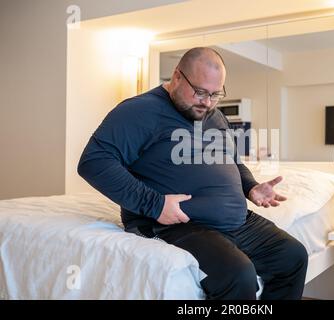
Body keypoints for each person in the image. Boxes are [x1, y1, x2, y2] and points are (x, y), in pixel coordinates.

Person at [77, 47, 308, 300]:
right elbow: (94, 161)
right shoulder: (139, 111)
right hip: (174, 223)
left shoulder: (215, 116)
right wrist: (155, 205)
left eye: (215, 94)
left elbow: (231, 161)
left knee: (293, 257)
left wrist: (250, 186)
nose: (207, 102)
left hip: (235, 221)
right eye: (199, 92)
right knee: (238, 274)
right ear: (177, 76)